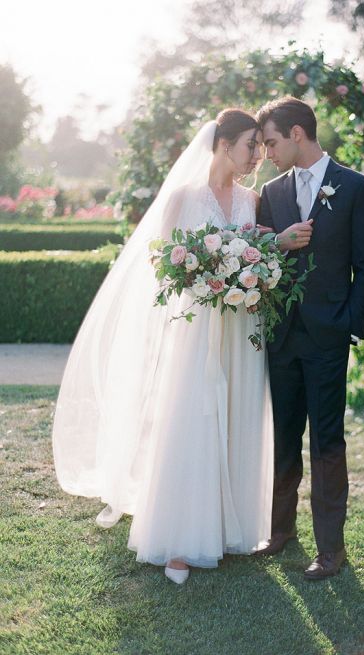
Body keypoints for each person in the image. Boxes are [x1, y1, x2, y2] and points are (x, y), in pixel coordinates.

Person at [52, 109, 274, 585]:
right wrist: (205, 275)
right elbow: (160, 264)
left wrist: (241, 275)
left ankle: (229, 529)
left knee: (236, 413)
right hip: (195, 328)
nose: (257, 154)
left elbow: (262, 255)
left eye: (260, 145)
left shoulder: (252, 201)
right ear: (223, 144)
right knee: (191, 418)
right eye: (250, 144)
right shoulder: (181, 199)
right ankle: (180, 537)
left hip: (240, 326)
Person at [255, 96, 364, 579]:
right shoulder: (271, 191)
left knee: (327, 441)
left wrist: (347, 323)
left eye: (271, 142)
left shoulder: (353, 187)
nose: (267, 152)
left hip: (327, 339)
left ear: (298, 134)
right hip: (282, 337)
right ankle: (280, 532)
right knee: (284, 436)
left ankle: (331, 549)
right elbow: (263, 258)